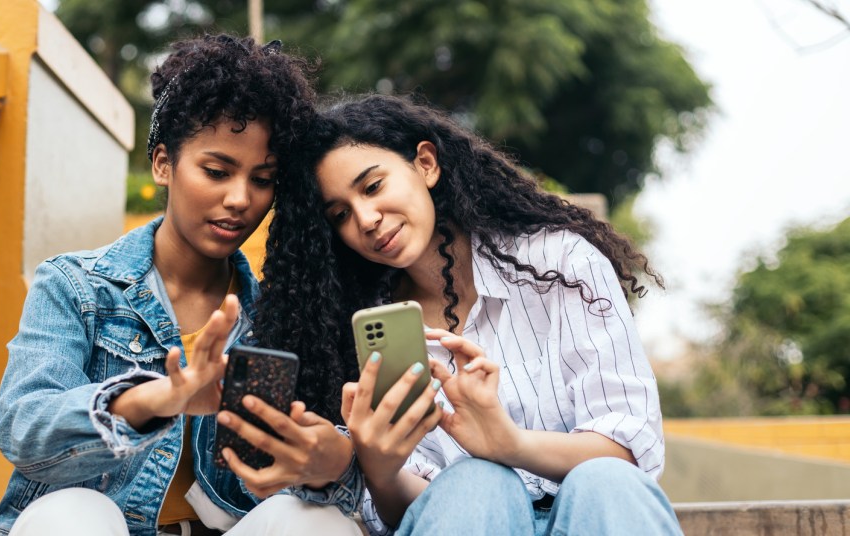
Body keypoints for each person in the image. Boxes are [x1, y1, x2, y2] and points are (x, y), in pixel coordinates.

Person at [253, 94, 683, 535]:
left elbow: (630, 450)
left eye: (373, 186)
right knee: (476, 483)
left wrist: (510, 444)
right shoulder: (367, 329)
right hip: (468, 520)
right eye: (340, 214)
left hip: (594, 517)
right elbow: (418, 513)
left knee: (607, 479)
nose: (365, 219)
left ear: (425, 164)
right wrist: (380, 470)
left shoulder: (559, 261)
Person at [0, 35, 362, 536]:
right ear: (163, 164)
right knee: (75, 514)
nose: (239, 198)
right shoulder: (77, 286)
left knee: (313, 520)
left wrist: (333, 462)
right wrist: (155, 400)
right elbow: (24, 429)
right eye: (216, 170)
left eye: (262, 179)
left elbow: (296, 482)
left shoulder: (281, 314)